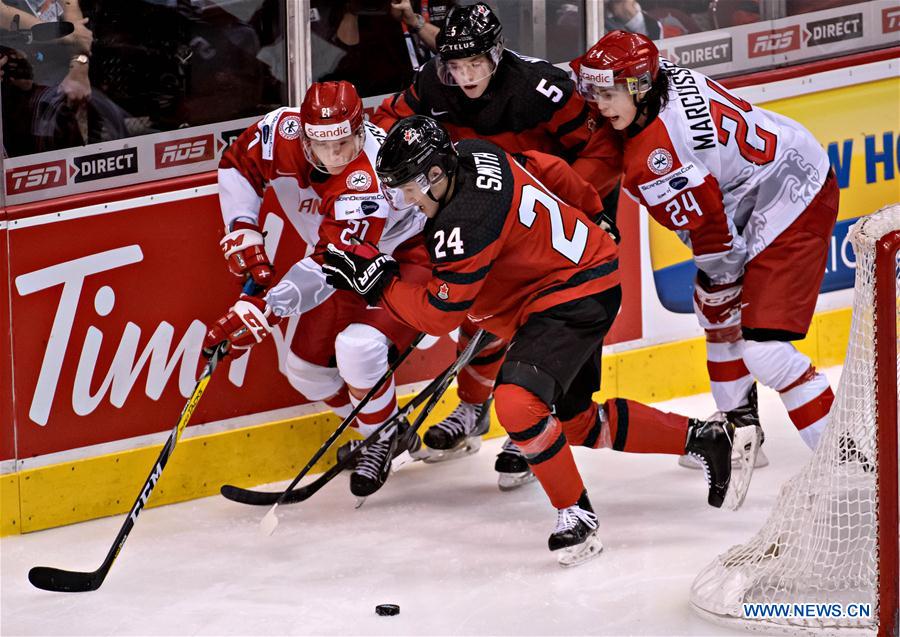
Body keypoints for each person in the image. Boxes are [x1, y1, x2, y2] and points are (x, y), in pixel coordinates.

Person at [321, 115, 757, 566]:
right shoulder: (475, 151)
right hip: (579, 281)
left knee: (515, 402)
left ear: (434, 174)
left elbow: (438, 313)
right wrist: (594, 212)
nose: (407, 200)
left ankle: (577, 518)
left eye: (409, 188)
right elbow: (547, 168)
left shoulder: (464, 222)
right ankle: (706, 439)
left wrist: (379, 285)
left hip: (569, 296)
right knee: (573, 422)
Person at [372, 2, 623, 481]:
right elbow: (388, 124)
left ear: (497, 54)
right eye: (454, 66)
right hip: (484, 215)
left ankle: (531, 422)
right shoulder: (432, 83)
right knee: (483, 310)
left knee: (549, 325)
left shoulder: (540, 89)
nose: (464, 77)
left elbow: (603, 148)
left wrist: (577, 209)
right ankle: (474, 409)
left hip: (557, 212)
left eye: (475, 65)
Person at [572, 31, 839, 465]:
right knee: (717, 310)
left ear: (639, 86)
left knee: (763, 348)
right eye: (594, 92)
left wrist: (721, 281)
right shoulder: (661, 80)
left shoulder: (657, 158)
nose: (598, 104)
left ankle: (848, 461)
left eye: (608, 92)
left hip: (794, 195)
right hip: (765, 174)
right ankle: (739, 428)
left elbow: (713, 237)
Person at [203, 81, 430, 498]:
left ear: (360, 130)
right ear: (303, 135)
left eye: (345, 142)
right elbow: (237, 164)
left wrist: (264, 312)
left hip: (408, 255)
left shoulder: (368, 178)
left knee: (358, 349)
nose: (336, 155)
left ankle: (379, 438)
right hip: (343, 258)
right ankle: (383, 427)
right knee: (305, 371)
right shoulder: (281, 132)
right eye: (323, 145)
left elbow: (328, 265)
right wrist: (243, 228)